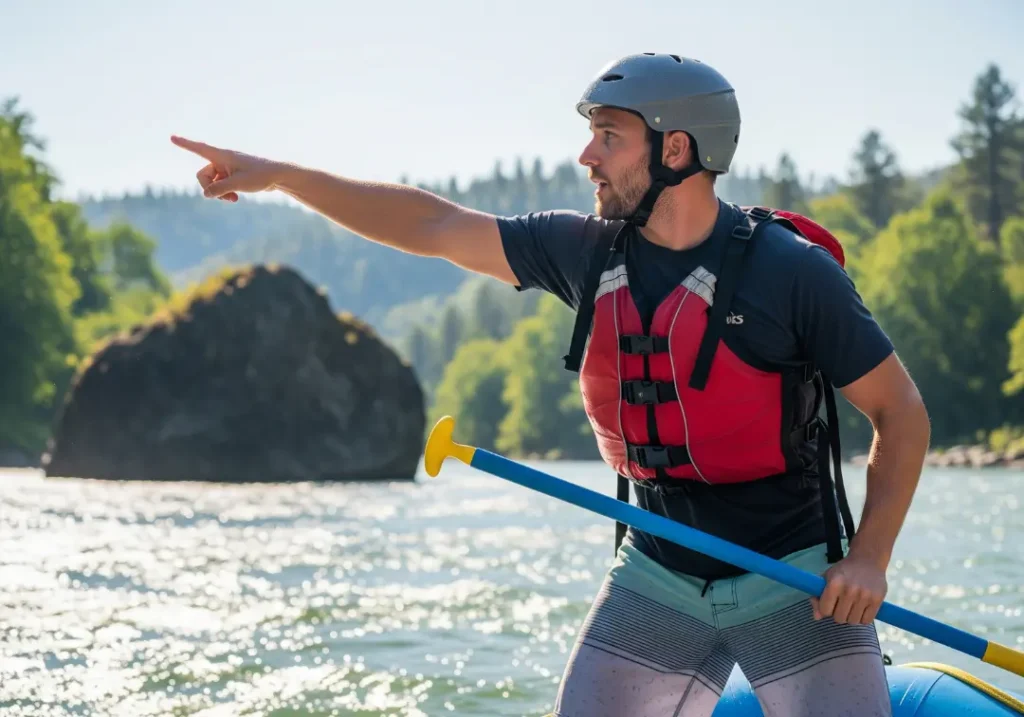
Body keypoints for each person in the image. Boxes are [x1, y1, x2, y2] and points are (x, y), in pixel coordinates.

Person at [172, 52, 931, 716]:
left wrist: (869, 558)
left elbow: (900, 413)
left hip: (793, 574)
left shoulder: (792, 273)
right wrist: (281, 175)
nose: (586, 156)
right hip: (657, 569)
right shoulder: (584, 251)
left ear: (675, 148)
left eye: (609, 136)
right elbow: (433, 226)